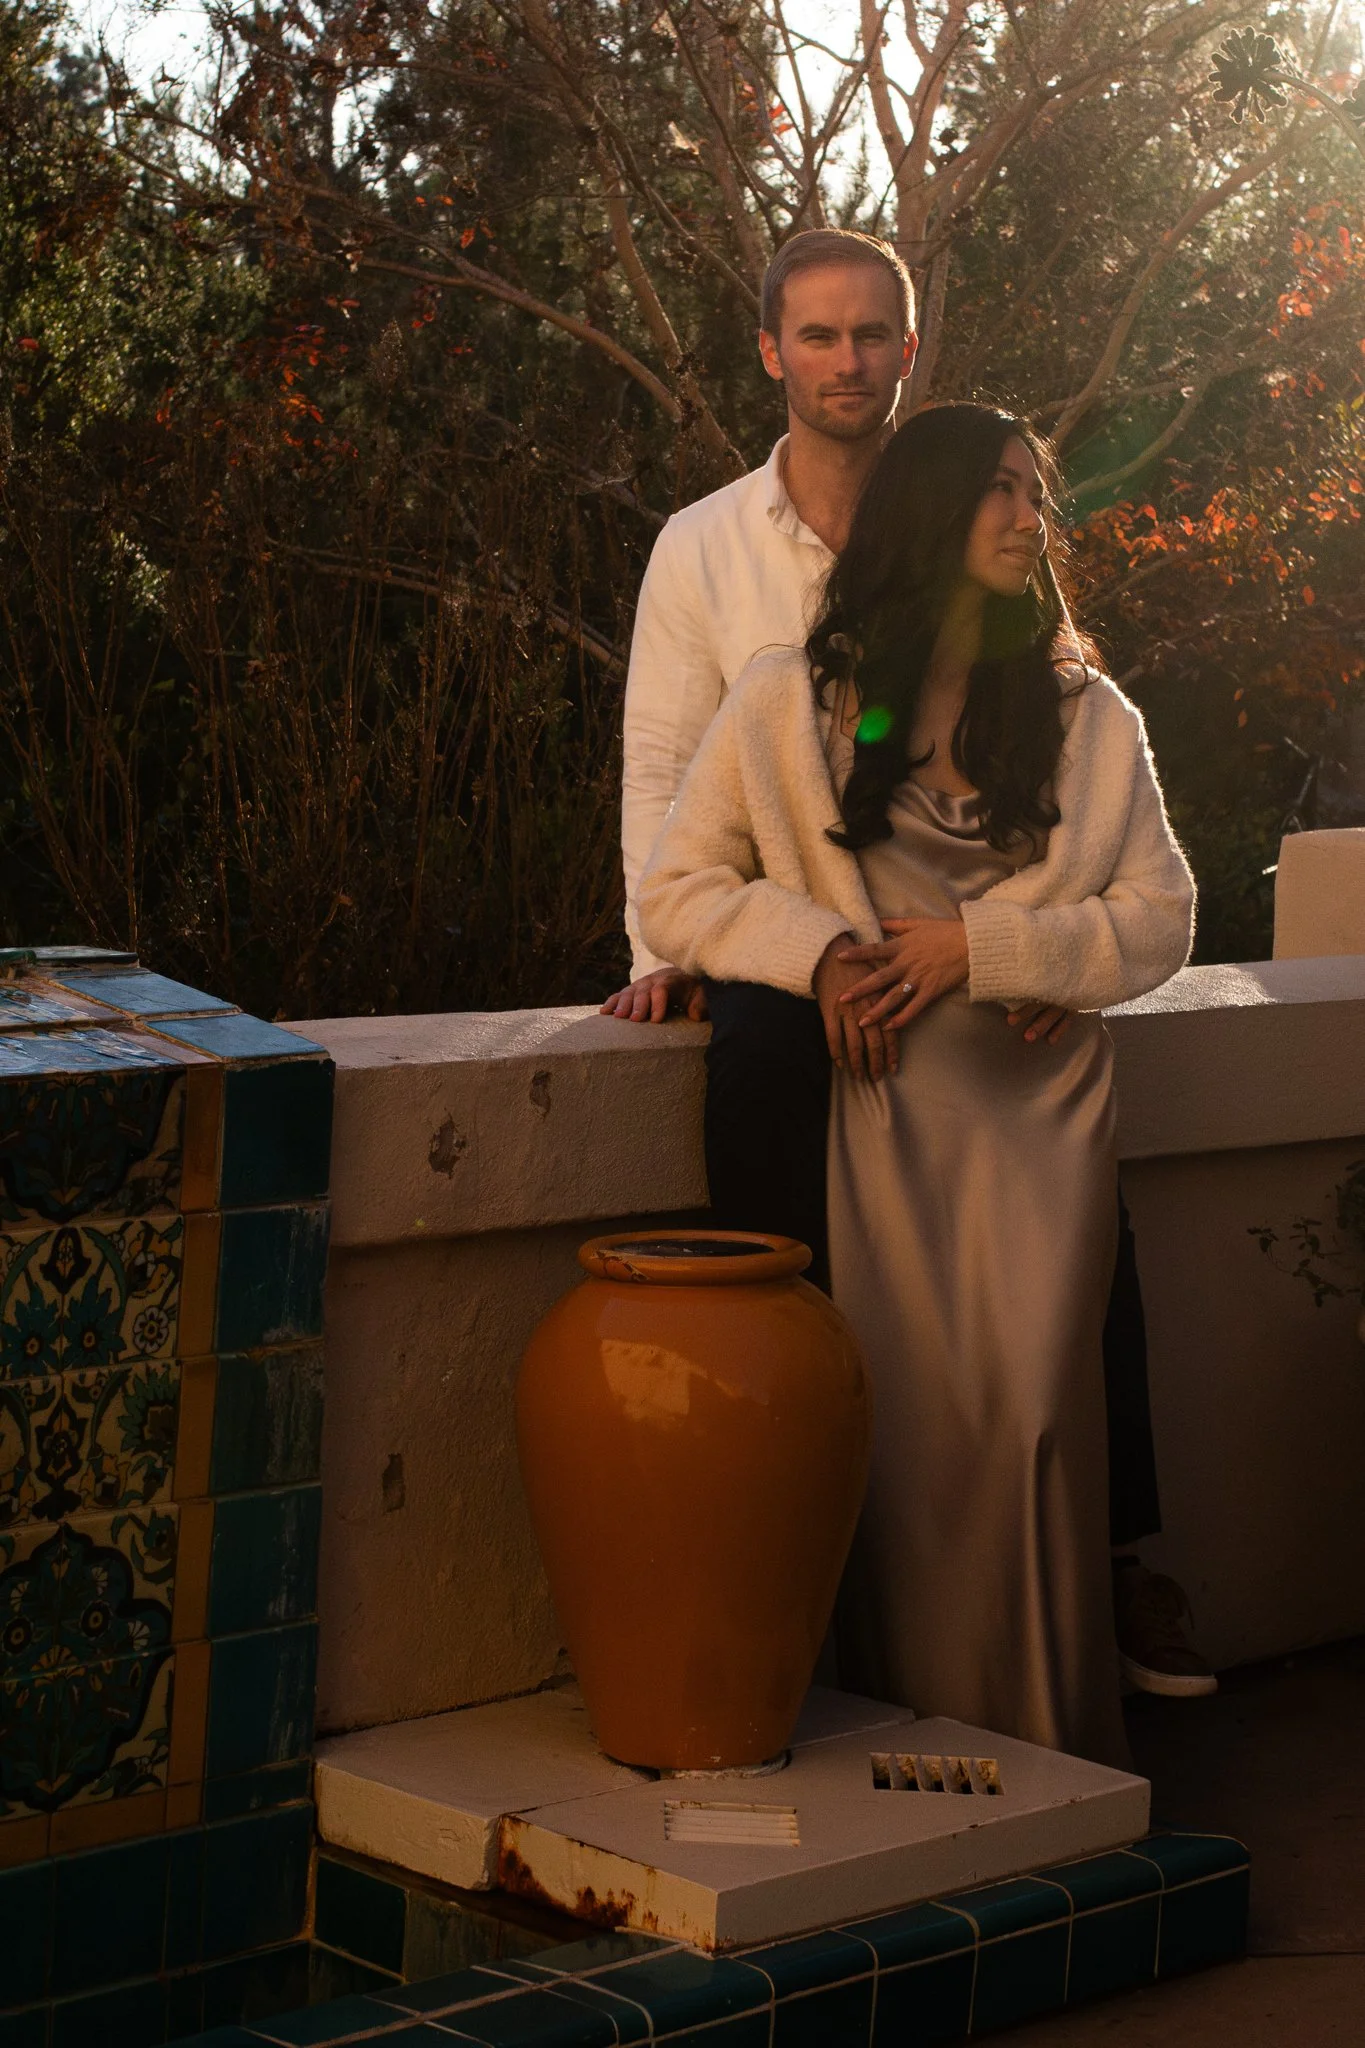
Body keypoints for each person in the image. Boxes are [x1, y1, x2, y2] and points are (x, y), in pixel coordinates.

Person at [605, 227, 1215, 1703]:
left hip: (996, 1033)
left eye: (871, 335)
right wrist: (697, 952)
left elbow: (1153, 904)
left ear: (908, 352)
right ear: (774, 350)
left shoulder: (1072, 702)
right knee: (763, 1106)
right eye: (817, 336)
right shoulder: (716, 560)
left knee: (1060, 1292)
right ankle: (789, 1545)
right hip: (812, 958)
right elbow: (668, 789)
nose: (846, 359)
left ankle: (1112, 1568)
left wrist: (990, 953)